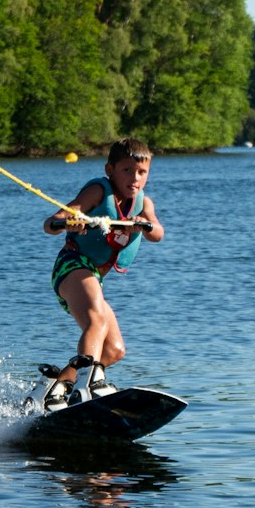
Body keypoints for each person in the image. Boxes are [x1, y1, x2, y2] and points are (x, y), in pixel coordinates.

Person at [41, 137, 164, 406]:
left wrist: (143, 224)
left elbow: (158, 233)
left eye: (142, 172)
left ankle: (57, 389)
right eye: (127, 170)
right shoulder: (98, 190)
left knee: (114, 349)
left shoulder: (144, 205)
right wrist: (68, 222)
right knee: (96, 322)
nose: (135, 178)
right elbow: (56, 220)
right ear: (110, 170)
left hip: (93, 278)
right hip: (72, 267)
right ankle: (88, 383)